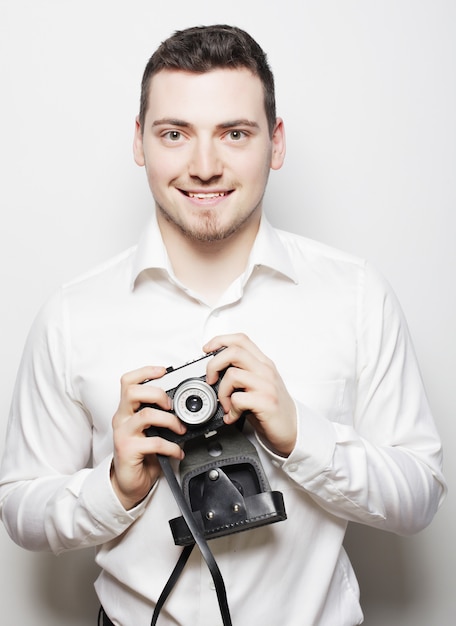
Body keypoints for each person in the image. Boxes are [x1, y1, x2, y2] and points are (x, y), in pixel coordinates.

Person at [0, 24, 446, 626]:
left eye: (235, 134)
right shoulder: (72, 313)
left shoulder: (356, 294)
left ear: (276, 142)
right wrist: (115, 488)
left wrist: (300, 436)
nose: (204, 166)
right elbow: (20, 507)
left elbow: (420, 495)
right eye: (175, 133)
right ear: (139, 141)